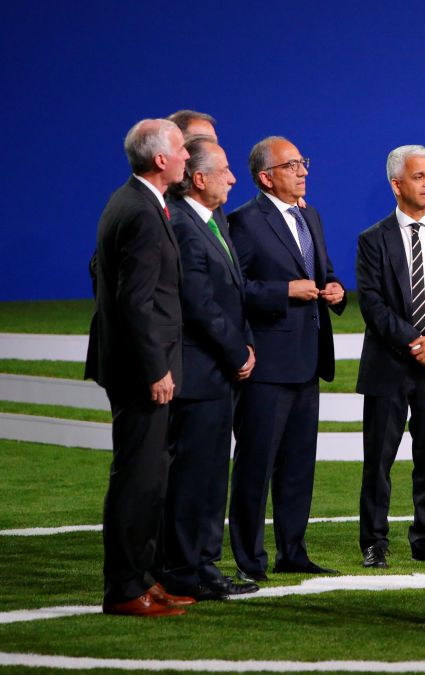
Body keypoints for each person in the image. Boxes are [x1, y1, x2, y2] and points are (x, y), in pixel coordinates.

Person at [86, 119, 196, 617]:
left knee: (149, 477)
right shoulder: (141, 212)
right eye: (181, 149)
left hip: (134, 362)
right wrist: (155, 367)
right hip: (141, 370)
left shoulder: (130, 201)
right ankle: (126, 589)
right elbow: (134, 301)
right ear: (160, 160)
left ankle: (145, 580)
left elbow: (101, 273)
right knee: (138, 478)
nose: (187, 157)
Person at [227, 136, 347, 581]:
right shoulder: (243, 222)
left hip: (308, 360)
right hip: (267, 366)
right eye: (292, 165)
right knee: (256, 466)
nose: (303, 172)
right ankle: (249, 559)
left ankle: (292, 552)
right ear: (266, 177)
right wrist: (283, 291)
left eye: (303, 163)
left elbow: (323, 271)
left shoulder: (309, 215)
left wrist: (335, 290)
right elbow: (234, 288)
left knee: (298, 466)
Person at [355, 145, 425, 568]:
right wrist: (417, 344)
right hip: (388, 365)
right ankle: (374, 541)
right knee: (378, 462)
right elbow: (372, 305)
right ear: (396, 184)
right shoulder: (372, 239)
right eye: (419, 176)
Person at [159, 136, 259, 601]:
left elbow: (232, 293)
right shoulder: (182, 224)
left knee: (212, 475)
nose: (233, 179)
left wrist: (245, 344)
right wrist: (237, 352)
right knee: (193, 477)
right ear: (199, 179)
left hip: (218, 372)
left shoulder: (211, 220)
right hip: (200, 374)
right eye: (225, 171)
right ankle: (184, 570)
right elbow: (198, 303)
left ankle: (202, 564)